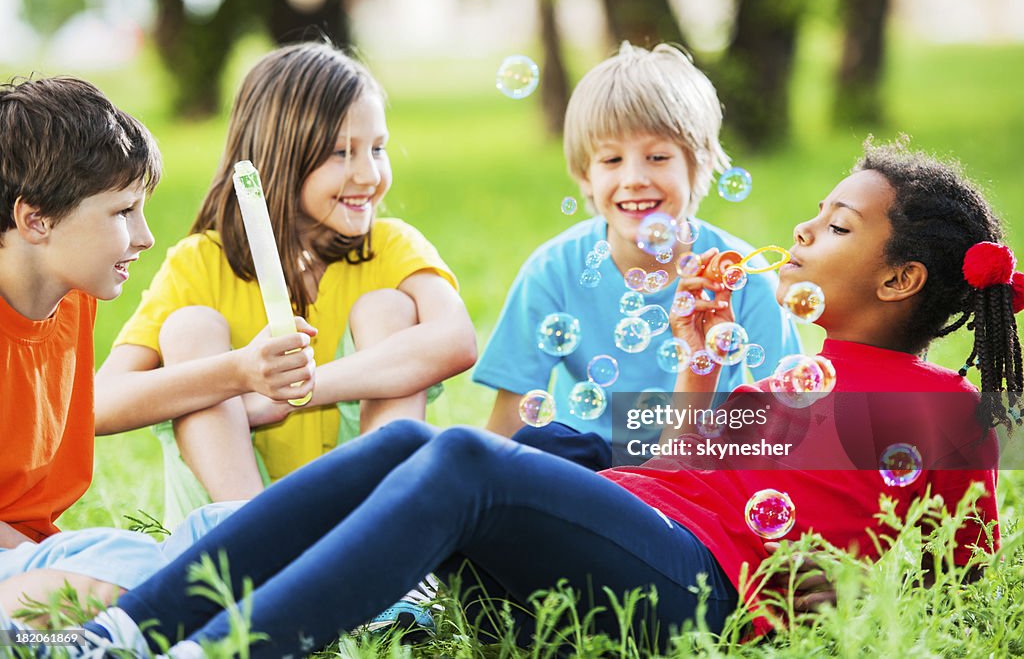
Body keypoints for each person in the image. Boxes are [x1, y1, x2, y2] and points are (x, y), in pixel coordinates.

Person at [34, 141, 1015, 658]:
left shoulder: (939, 409)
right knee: (414, 453)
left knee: (461, 459)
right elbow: (658, 450)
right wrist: (694, 363)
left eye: (838, 223)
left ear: (899, 281)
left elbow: (955, 573)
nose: (803, 227)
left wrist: (841, 597)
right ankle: (119, 632)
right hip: (633, 539)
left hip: (694, 588)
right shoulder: (789, 378)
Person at [94, 42, 477, 520]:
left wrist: (297, 389)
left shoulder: (391, 246)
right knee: (189, 328)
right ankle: (253, 540)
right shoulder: (201, 262)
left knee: (387, 309)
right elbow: (98, 404)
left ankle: (387, 536)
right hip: (229, 519)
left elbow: (456, 339)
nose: (368, 173)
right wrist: (233, 377)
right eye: (342, 153)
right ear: (281, 156)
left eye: (377, 148)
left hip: (357, 512)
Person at [473, 42, 800, 470]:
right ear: (584, 176)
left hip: (699, 470)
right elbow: (508, 431)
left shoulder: (739, 275)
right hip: (589, 472)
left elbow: (795, 419)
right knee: (544, 442)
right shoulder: (553, 271)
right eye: (611, 159)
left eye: (657, 156)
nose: (634, 178)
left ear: (697, 166)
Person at [0, 76, 241, 618]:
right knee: (120, 571)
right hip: (26, 565)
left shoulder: (73, 300)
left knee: (227, 528)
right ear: (35, 219)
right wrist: (52, 562)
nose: (146, 236)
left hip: (40, 556)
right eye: (122, 212)